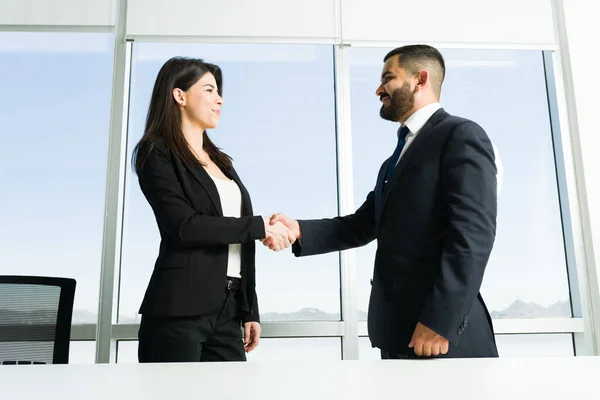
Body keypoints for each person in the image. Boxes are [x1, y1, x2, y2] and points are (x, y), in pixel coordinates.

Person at [267, 45, 499, 359]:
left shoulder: (460, 135)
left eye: (388, 78)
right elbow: (363, 224)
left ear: (420, 80)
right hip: (399, 332)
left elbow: (473, 234)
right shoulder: (394, 159)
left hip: (440, 335)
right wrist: (299, 230)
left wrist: (441, 321)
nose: (379, 89)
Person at [133, 57, 294, 362]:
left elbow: (241, 240)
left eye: (219, 91)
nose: (219, 99)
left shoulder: (222, 162)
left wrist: (249, 308)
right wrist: (259, 225)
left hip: (229, 308)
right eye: (208, 90)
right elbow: (184, 227)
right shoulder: (156, 152)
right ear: (179, 95)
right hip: (179, 308)